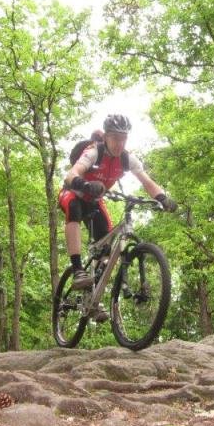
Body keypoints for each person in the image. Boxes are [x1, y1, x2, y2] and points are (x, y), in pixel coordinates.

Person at [58, 114, 177, 321]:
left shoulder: (127, 159)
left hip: (95, 202)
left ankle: (93, 297)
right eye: (115, 138)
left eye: (124, 139)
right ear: (106, 137)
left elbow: (147, 181)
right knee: (74, 209)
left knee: (107, 249)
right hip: (73, 194)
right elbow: (71, 175)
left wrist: (163, 198)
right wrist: (86, 185)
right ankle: (77, 269)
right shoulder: (94, 151)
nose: (119, 143)